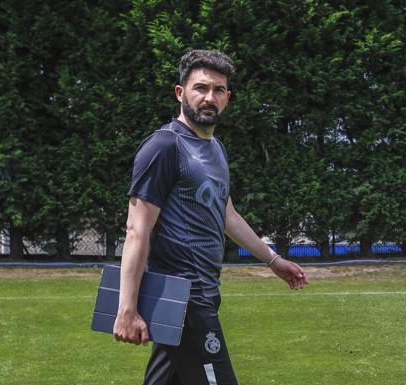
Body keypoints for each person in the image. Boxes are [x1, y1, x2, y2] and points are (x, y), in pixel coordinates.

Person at [113, 49, 308, 385]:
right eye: (200, 88)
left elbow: (227, 214)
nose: (209, 98)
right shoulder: (164, 146)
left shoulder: (215, 148)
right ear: (180, 93)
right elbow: (137, 230)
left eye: (218, 90)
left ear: (227, 98)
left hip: (204, 293)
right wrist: (126, 310)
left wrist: (273, 260)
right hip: (185, 298)